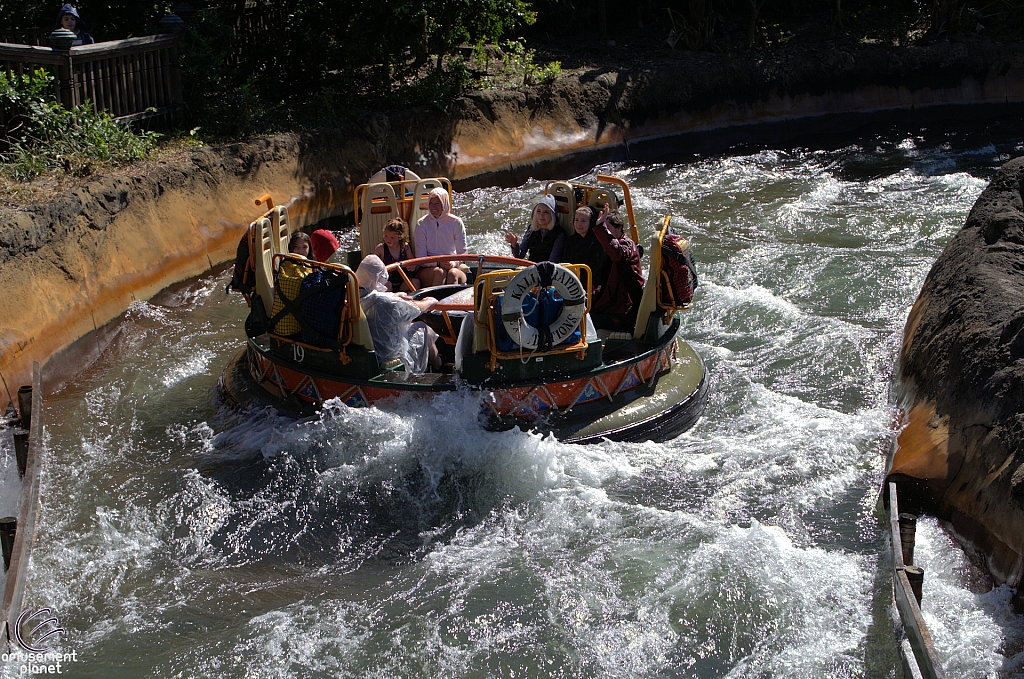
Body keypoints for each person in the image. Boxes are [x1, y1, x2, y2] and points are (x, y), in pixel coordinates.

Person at [355, 255, 441, 373]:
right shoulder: (385, 302)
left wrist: (395, 296)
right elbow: (416, 309)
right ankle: (439, 367)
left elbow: (374, 296)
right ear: (376, 277)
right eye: (382, 279)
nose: (384, 284)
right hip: (390, 354)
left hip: (368, 350)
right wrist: (429, 301)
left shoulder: (351, 294)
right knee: (425, 329)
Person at [590, 207, 645, 332]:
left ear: (619, 228)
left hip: (622, 313)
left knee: (584, 321)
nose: (605, 234)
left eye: (608, 229)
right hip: (612, 305)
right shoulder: (610, 248)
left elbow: (618, 254)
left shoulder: (627, 245)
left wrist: (601, 228)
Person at [414, 187, 467, 287]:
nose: (433, 207)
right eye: (431, 203)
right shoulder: (421, 224)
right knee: (440, 272)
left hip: (453, 265)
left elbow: (463, 252)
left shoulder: (456, 222)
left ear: (444, 204)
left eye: (437, 203)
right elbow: (420, 258)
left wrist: (453, 263)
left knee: (452, 273)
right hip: (429, 268)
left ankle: (450, 302)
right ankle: (436, 301)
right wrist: (438, 263)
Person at [505, 195, 565, 263]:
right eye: (538, 211)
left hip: (547, 270)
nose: (541, 215)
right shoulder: (531, 229)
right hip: (531, 267)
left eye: (546, 212)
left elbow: (553, 261)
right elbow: (520, 256)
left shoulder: (559, 234)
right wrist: (514, 244)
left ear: (552, 215)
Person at [561, 206, 607, 294]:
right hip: (571, 281)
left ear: (591, 223)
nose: (579, 224)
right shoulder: (571, 240)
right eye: (576, 220)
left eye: (583, 221)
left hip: (589, 284)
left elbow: (596, 268)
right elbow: (565, 260)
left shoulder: (597, 242)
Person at [373, 218, 420, 292]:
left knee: (415, 282)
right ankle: (390, 300)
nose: (388, 239)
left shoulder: (405, 247)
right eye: (386, 236)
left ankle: (411, 300)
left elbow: (412, 261)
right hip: (388, 281)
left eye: (392, 237)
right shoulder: (380, 248)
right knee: (387, 285)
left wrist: (412, 267)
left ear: (400, 237)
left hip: (403, 281)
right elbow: (372, 265)